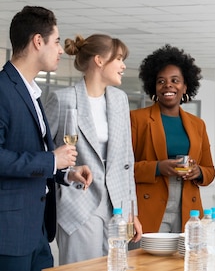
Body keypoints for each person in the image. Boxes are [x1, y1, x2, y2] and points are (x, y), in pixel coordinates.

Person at [0, 6, 92, 271]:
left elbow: (36, 155)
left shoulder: (32, 91)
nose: (61, 50)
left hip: (39, 232)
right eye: (56, 42)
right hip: (10, 235)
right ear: (37, 42)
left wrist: (65, 173)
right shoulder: (3, 89)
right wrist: (52, 159)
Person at [44, 34, 143, 264]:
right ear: (99, 61)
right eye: (118, 58)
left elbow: (127, 160)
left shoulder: (120, 99)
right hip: (79, 202)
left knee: (116, 267)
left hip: (117, 207)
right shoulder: (64, 99)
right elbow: (43, 152)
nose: (123, 65)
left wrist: (132, 211)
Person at [131, 44, 215, 233]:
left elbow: (210, 170)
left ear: (185, 86)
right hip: (149, 207)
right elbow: (123, 169)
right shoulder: (137, 119)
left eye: (175, 80)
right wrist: (158, 167)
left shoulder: (197, 124)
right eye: (161, 81)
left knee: (184, 262)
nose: (168, 85)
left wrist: (198, 172)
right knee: (149, 262)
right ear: (153, 85)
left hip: (188, 209)